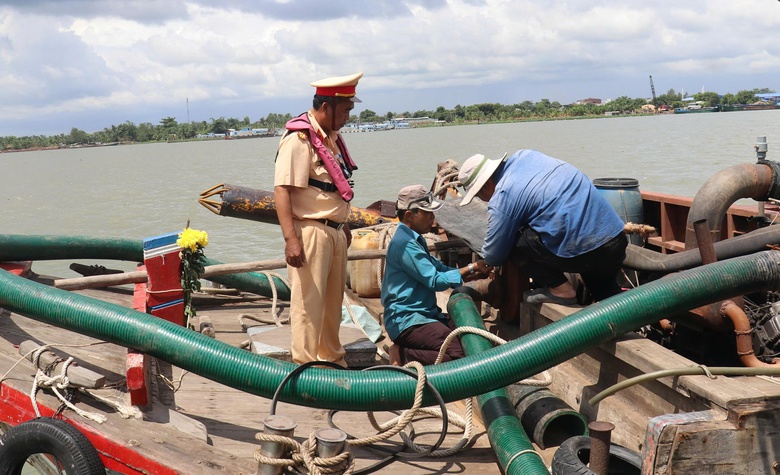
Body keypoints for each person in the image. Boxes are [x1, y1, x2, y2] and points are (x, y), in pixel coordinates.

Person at [273, 72, 363, 367]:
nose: (349, 116)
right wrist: (291, 240)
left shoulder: (330, 139)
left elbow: (333, 188)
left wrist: (344, 225)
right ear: (327, 107)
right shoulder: (299, 140)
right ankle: (306, 365)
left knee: (332, 305)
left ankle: (332, 359)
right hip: (311, 231)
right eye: (346, 109)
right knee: (308, 305)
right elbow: (283, 190)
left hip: (333, 232)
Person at [458, 149, 627, 305]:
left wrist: (483, 261)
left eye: (478, 195)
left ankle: (561, 290)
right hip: (615, 239)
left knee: (511, 243)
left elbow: (494, 256)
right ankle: (633, 320)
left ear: (485, 185)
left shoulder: (502, 196)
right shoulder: (525, 156)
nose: (482, 200)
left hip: (585, 252)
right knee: (604, 290)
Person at [381, 185, 491, 366]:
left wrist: (467, 273)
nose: (433, 218)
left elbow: (437, 267)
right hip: (407, 320)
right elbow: (434, 280)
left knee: (471, 339)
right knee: (460, 354)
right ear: (410, 215)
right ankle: (404, 353)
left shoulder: (415, 239)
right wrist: (470, 268)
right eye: (428, 213)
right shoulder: (405, 244)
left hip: (424, 315)